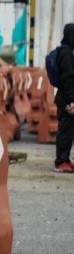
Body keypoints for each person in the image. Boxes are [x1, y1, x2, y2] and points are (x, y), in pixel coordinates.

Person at [53, 23, 74, 173]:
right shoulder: (66, 53)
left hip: (65, 97)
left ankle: (65, 159)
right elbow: (68, 79)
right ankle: (61, 162)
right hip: (66, 99)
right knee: (65, 131)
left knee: (68, 130)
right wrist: (71, 100)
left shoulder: (66, 51)